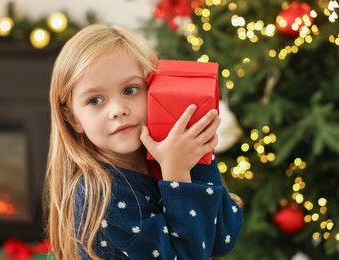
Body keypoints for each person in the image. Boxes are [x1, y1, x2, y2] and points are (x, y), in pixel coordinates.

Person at [45, 23, 243, 260]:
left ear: (155, 89)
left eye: (130, 90)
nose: (118, 110)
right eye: (95, 100)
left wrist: (197, 156)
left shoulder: (161, 158)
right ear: (72, 118)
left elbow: (223, 238)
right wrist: (177, 173)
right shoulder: (98, 193)